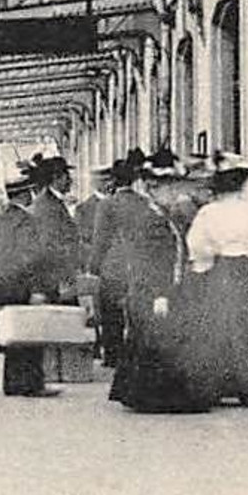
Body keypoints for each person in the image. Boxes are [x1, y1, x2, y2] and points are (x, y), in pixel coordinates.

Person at [110, 151, 210, 412]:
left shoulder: (161, 216)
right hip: (154, 292)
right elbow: (151, 261)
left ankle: (150, 395)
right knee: (158, 341)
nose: (175, 193)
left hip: (161, 290)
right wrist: (160, 294)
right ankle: (156, 398)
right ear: (153, 189)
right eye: (169, 188)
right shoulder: (151, 220)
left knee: (159, 341)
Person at [184, 155, 248, 406]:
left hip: (217, 271)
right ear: (241, 184)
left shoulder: (208, 212)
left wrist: (206, 262)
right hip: (245, 272)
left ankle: (215, 385)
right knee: (246, 325)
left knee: (215, 325)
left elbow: (197, 245)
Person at [0, 174, 50, 396]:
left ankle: (12, 384)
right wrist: (37, 288)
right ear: (25, 194)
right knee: (29, 335)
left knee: (11, 336)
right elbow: (34, 258)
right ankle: (31, 385)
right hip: (22, 285)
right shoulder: (29, 222)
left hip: (1, 285)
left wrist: (2, 266)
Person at [88, 149, 148, 369]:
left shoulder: (107, 205)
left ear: (113, 180)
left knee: (111, 313)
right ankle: (135, 354)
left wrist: (93, 268)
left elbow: (100, 239)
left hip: (113, 266)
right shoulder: (144, 203)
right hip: (138, 263)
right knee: (136, 310)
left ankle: (112, 355)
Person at [28, 154, 81, 302]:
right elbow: (49, 245)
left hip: (57, 279)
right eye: (67, 176)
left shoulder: (52, 202)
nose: (70, 180)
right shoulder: (47, 206)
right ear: (56, 178)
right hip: (55, 281)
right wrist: (64, 279)